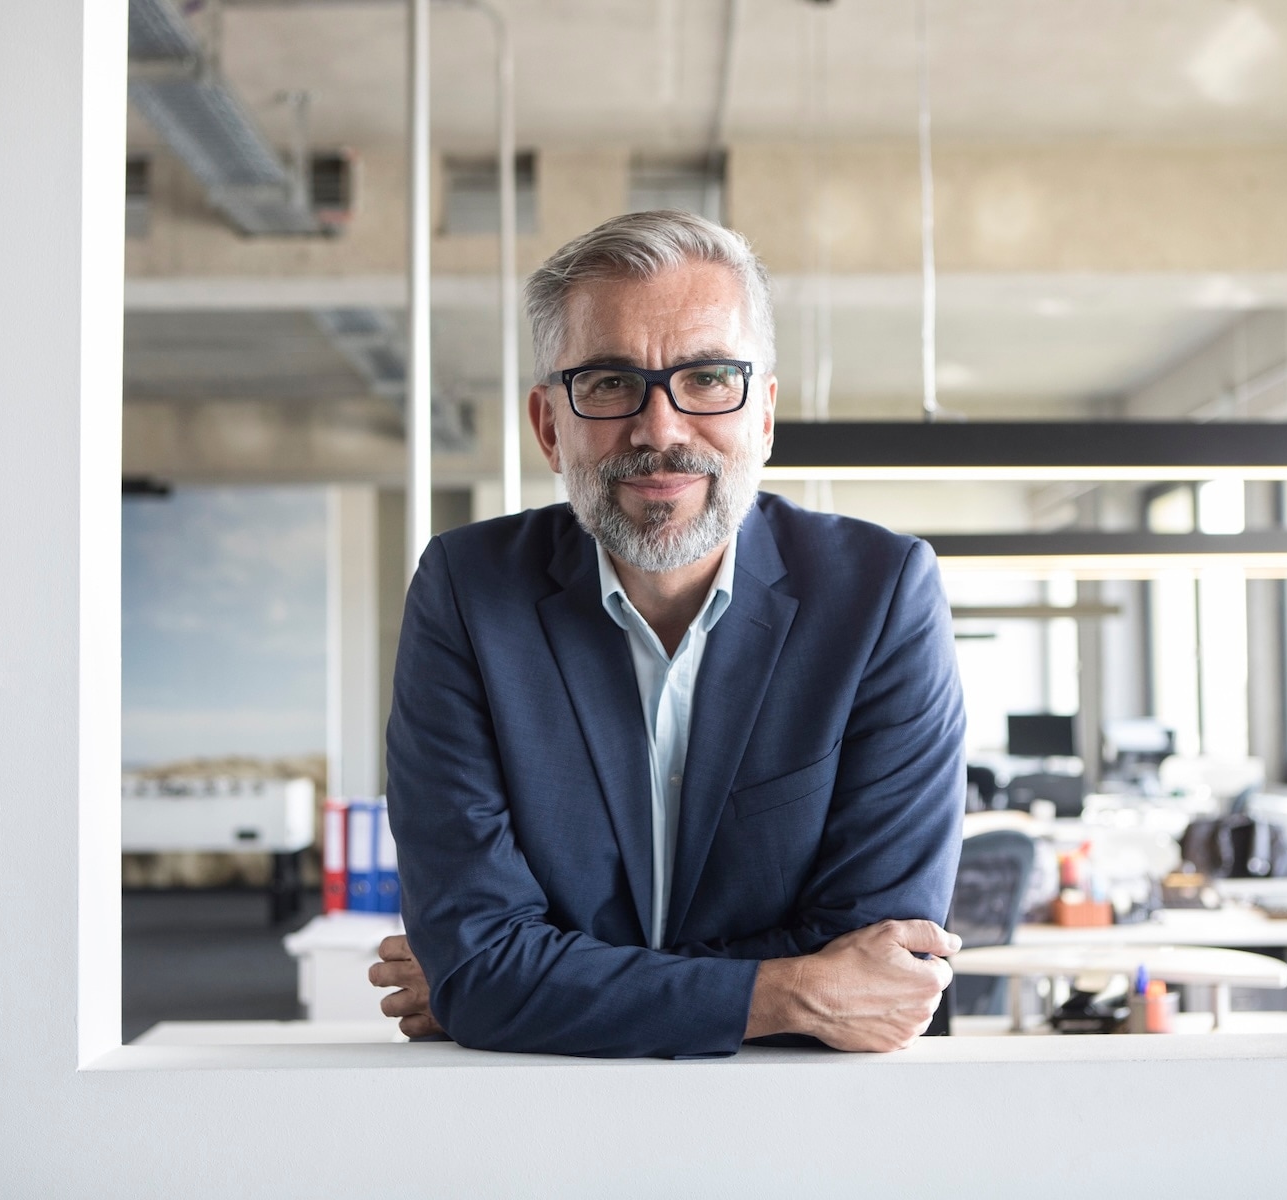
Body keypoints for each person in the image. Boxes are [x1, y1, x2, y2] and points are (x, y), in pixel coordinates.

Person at [370, 210, 966, 1058]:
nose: (660, 429)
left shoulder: (881, 597)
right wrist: (794, 990)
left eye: (710, 378)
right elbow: (482, 964)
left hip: (798, 1122)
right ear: (550, 426)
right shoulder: (469, 592)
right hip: (542, 1122)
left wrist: (527, 987)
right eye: (610, 382)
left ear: (764, 414)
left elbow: (879, 965)